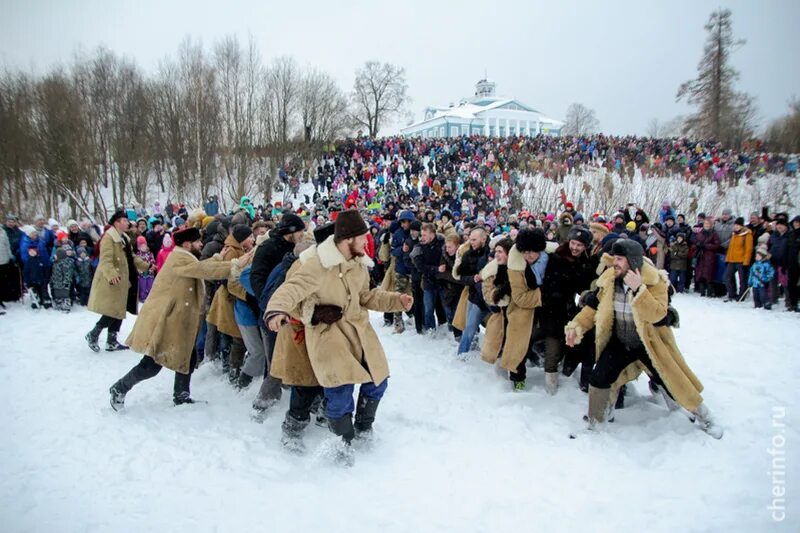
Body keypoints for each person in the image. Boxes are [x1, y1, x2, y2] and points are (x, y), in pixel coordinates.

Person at [266, 210, 413, 465]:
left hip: (360, 334)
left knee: (378, 381)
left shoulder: (359, 265)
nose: (367, 242)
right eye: (362, 237)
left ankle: (364, 428)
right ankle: (342, 442)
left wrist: (395, 300)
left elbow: (366, 297)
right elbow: (291, 290)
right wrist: (279, 309)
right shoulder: (316, 264)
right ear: (348, 239)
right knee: (339, 391)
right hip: (329, 337)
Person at [565, 240, 723, 439]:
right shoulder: (609, 280)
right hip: (621, 342)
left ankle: (706, 417)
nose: (615, 263)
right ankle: (596, 422)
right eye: (614, 258)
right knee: (598, 378)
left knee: (672, 381)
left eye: (620, 259)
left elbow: (658, 314)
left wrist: (639, 290)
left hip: (649, 344)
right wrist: (576, 327)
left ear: (632, 260)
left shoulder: (655, 282)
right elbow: (593, 308)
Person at [108, 227, 238, 410]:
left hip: (176, 318)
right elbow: (203, 270)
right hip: (164, 321)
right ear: (187, 244)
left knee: (188, 356)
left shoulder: (184, 256)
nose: (201, 244)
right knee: (152, 364)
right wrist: (236, 265)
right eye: (197, 241)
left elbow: (199, 266)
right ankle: (119, 388)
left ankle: (181, 395)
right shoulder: (179, 258)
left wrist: (218, 258)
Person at [539, 226, 596, 395]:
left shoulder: (584, 262)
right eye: (573, 243)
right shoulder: (556, 257)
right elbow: (550, 283)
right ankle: (550, 386)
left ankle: (562, 372)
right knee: (552, 345)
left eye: (580, 245)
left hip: (568, 309)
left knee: (569, 344)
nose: (575, 248)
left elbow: (583, 285)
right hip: (550, 308)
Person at [85, 211, 153, 352]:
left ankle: (111, 340)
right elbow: (106, 259)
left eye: (127, 221)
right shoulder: (109, 238)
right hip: (112, 281)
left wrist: (147, 266)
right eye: (124, 220)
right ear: (116, 222)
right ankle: (93, 334)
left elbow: (132, 257)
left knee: (119, 310)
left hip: (124, 280)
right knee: (112, 310)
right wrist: (112, 275)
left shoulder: (124, 238)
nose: (127, 223)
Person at [453, 227, 490, 359]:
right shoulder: (468, 255)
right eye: (470, 239)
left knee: (494, 330)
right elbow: (461, 277)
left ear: (483, 239)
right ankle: (462, 354)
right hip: (475, 297)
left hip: (492, 298)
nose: (471, 242)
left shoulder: (492, 252)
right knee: (469, 327)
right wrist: (473, 279)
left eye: (474, 239)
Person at [723, 217, 753, 302]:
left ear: (742, 226)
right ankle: (732, 294)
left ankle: (741, 296)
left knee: (742, 279)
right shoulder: (734, 234)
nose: (736, 227)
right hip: (732, 260)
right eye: (735, 225)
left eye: (738, 225)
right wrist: (727, 259)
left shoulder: (747, 234)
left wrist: (746, 261)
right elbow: (730, 248)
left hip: (741, 260)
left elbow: (749, 249)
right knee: (727, 277)